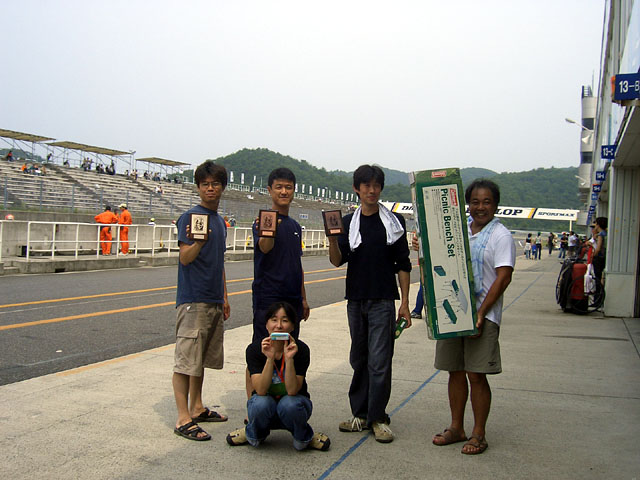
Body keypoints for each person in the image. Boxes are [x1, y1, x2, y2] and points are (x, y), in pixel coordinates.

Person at [414, 178, 515, 455]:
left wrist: (480, 314)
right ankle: (456, 427)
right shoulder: (457, 232)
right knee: (455, 371)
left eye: (487, 202)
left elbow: (504, 277)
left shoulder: (501, 236)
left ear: (496, 205)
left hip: (483, 315)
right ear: (466, 204)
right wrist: (422, 244)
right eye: (475, 202)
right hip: (453, 312)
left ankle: (478, 433)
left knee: (476, 374)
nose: (480, 207)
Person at [328, 164, 411, 443]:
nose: (372, 190)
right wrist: (332, 240)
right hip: (355, 300)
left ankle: (378, 417)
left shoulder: (394, 222)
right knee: (359, 358)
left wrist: (405, 303)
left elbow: (403, 264)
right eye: (366, 185)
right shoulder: (348, 222)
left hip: (383, 300)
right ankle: (360, 414)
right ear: (357, 188)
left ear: (381, 188)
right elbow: (337, 260)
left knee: (380, 360)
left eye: (376, 185)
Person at [172, 160, 230, 441]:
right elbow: (184, 258)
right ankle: (183, 417)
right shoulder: (190, 217)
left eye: (215, 184)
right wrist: (198, 243)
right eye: (205, 184)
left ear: (222, 187)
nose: (210, 188)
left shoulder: (219, 221)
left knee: (201, 358)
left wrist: (224, 297)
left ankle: (197, 406)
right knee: (186, 360)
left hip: (213, 298)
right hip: (193, 299)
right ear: (198, 187)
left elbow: (220, 262)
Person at [226, 302, 330, 451]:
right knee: (259, 403)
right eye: (274, 320)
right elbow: (260, 390)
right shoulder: (255, 349)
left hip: (292, 407)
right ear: (267, 325)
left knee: (289, 404)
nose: (279, 326)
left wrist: (289, 359)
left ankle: (304, 437)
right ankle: (253, 433)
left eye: (285, 320)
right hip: (266, 407)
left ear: (293, 326)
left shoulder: (301, 349)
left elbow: (292, 391)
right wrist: (269, 358)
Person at [591, 217, 608, 282]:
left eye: (595, 223)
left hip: (600, 257)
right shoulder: (606, 233)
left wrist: (593, 255)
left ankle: (598, 287)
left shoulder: (600, 235)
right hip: (605, 257)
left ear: (598, 225)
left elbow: (598, 248)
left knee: (597, 276)